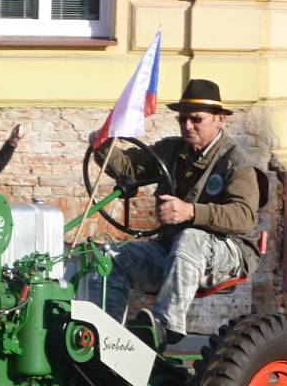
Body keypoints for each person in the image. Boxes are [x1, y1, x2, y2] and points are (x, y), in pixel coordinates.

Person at [92, 79, 263, 345]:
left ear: (220, 120)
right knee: (110, 257)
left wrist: (190, 212)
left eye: (196, 119)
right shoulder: (171, 151)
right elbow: (127, 167)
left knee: (190, 237)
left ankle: (165, 326)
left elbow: (243, 217)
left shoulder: (236, 163)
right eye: (182, 119)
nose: (187, 126)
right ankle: (105, 336)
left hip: (226, 252)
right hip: (174, 251)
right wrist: (103, 147)